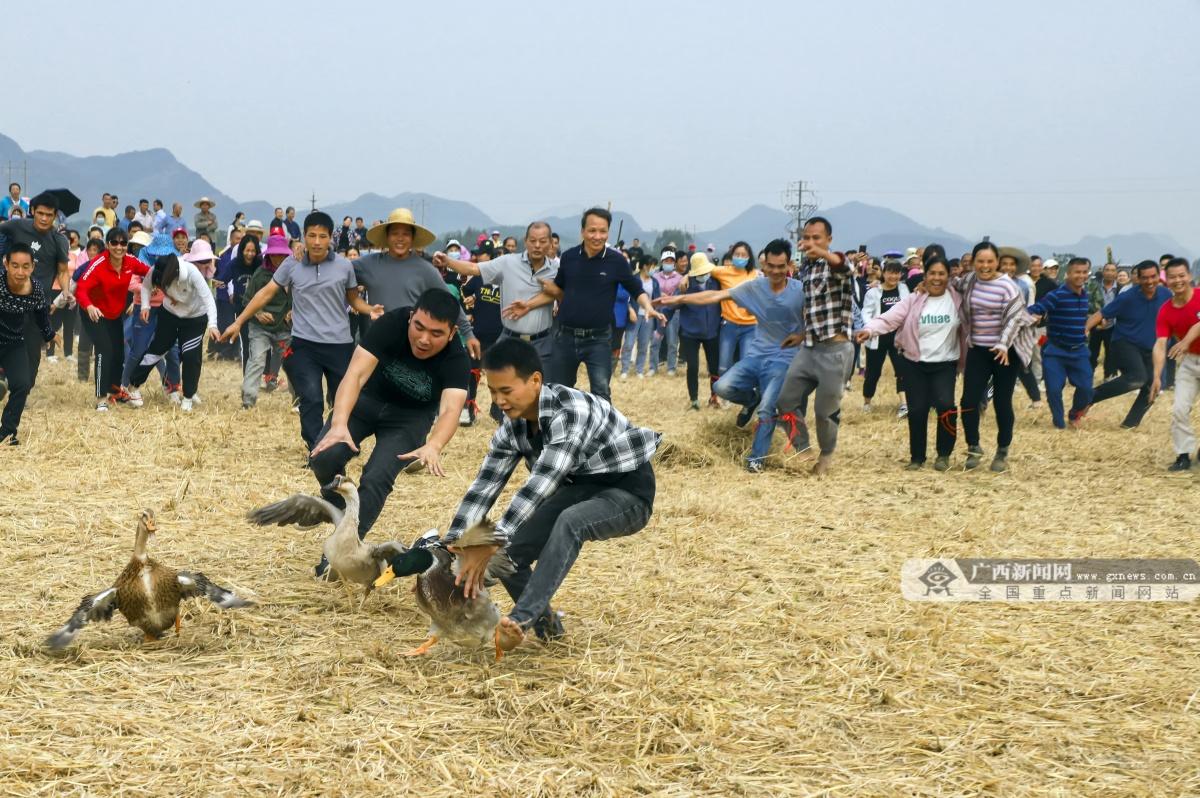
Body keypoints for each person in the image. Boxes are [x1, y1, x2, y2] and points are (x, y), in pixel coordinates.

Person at [439, 337, 658, 652]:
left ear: (535, 381)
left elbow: (542, 483)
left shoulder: (570, 413)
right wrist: (456, 542)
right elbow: (484, 486)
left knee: (570, 521)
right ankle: (550, 631)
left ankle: (521, 619)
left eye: (507, 391)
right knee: (506, 555)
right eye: (492, 391)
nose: (499, 401)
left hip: (627, 490)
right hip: (578, 487)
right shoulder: (511, 429)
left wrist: (487, 541)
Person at [309, 290, 470, 570]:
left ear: (452, 332)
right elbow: (355, 375)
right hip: (366, 401)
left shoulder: (457, 358)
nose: (423, 339)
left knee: (377, 477)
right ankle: (345, 510)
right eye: (418, 327)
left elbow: (450, 411)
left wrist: (434, 445)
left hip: (409, 418)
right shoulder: (390, 324)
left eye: (436, 333)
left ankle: (339, 555)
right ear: (411, 317)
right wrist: (338, 424)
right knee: (324, 456)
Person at [221, 211, 383, 450]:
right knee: (311, 399)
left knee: (344, 400)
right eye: (312, 236)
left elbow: (353, 300)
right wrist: (239, 322)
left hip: (339, 345)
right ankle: (316, 448)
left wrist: (370, 309)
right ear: (304, 237)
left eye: (323, 236)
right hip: (305, 344)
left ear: (331, 239)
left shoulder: (344, 266)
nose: (317, 242)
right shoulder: (292, 263)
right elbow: (266, 293)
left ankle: (339, 444)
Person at [660, 239, 805, 471]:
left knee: (768, 407)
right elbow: (714, 297)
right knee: (722, 387)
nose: (776, 271)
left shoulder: (799, 289)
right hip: (756, 355)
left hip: (783, 359)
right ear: (764, 265)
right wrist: (680, 298)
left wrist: (803, 335)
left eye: (782, 266)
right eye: (772, 266)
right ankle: (750, 400)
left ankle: (756, 459)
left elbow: (817, 316)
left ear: (789, 265)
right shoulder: (754, 287)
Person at [505, 208, 663, 402]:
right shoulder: (570, 257)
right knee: (559, 391)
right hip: (565, 337)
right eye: (592, 230)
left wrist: (647, 306)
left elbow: (636, 289)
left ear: (608, 232)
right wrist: (529, 304)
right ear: (582, 231)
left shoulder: (616, 261)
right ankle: (562, 429)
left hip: (598, 340)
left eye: (603, 231)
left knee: (601, 393)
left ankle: (600, 431)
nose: (597, 236)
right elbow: (558, 290)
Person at [856, 255, 966, 470]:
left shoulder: (957, 300)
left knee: (946, 406)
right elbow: (890, 318)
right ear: (925, 275)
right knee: (917, 410)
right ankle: (917, 458)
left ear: (948, 276)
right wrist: (869, 330)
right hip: (915, 362)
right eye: (932, 273)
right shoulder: (913, 299)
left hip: (945, 364)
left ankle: (943, 455)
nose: (936, 278)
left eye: (941, 274)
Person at [774, 218, 855, 476]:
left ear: (829, 240)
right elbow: (815, 309)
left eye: (817, 238)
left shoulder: (834, 265)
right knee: (785, 401)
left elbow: (846, 267)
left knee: (824, 411)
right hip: (809, 348)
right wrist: (801, 335)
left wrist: (824, 254)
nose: (810, 243)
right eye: (806, 238)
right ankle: (802, 448)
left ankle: (826, 455)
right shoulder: (806, 268)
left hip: (836, 351)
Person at [955, 242, 1036, 471]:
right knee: (968, 400)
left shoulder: (1008, 287)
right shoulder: (970, 280)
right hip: (978, 349)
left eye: (990, 261)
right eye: (980, 261)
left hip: (1005, 352)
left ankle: (1002, 450)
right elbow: (954, 285)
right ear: (973, 262)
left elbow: (1015, 319)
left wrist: (1002, 344)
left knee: (1002, 401)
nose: (985, 266)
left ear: (997, 262)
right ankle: (973, 447)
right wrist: (924, 285)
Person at [355, 208, 478, 355]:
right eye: (395, 233)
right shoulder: (367, 265)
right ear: (387, 237)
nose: (400, 238)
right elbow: (339, 273)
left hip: (412, 346)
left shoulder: (426, 270)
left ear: (412, 238)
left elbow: (449, 301)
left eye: (406, 234)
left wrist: (468, 334)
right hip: (377, 344)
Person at [436, 221, 557, 363]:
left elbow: (561, 292)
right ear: (525, 241)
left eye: (542, 241)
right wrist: (448, 261)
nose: (537, 245)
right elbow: (473, 269)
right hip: (510, 339)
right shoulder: (508, 263)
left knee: (540, 383)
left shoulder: (556, 270)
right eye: (533, 240)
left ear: (550, 243)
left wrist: (530, 304)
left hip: (542, 343)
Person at [1084, 260, 1171, 429]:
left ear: (1158, 277)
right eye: (1145, 278)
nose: (1150, 281)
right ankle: (1090, 397)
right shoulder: (1127, 297)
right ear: (1137, 279)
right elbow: (1101, 313)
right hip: (1125, 343)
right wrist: (1085, 329)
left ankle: (1129, 424)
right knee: (1137, 378)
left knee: (1153, 386)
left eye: (1153, 277)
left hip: (1152, 348)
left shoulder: (1165, 295)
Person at [128, 253, 219, 412]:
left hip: (194, 318)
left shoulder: (191, 273)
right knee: (156, 351)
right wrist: (145, 307)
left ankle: (188, 397)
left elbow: (208, 299)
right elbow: (146, 287)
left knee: (190, 355)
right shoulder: (156, 269)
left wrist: (213, 325)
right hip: (169, 315)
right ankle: (133, 386)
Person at [0, 192, 71, 386]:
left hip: (38, 303)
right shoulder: (16, 226)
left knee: (32, 351)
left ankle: (23, 388)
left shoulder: (59, 241)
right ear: (32, 211)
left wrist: (65, 290)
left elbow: (63, 271)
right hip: (9, 298)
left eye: (49, 215)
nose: (44, 218)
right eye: (40, 213)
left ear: (55, 215)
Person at [75, 228, 150, 410]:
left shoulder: (131, 262)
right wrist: (90, 306)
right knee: (104, 351)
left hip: (115, 313)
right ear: (108, 245)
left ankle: (115, 391)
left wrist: (152, 286)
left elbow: (149, 272)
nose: (119, 247)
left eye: (123, 243)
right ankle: (101, 399)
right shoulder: (98, 264)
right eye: (114, 243)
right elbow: (81, 289)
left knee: (118, 353)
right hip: (94, 312)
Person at [1027, 257, 1094, 430]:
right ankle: (1059, 424)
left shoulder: (1085, 295)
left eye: (1084, 272)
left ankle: (1074, 414)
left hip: (1079, 350)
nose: (1081, 276)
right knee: (1054, 390)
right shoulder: (1056, 295)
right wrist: (1032, 317)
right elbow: (1034, 309)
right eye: (1077, 272)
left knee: (1087, 389)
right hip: (1056, 351)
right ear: (1068, 274)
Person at [0, 243, 58, 443]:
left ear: (33, 267)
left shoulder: (35, 289)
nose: (20, 271)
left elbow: (41, 316)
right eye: (14, 265)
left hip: (13, 342)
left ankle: (7, 432)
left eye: (25, 266)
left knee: (22, 384)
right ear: (5, 264)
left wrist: (50, 335)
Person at [119, 233, 183, 406]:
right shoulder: (140, 262)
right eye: (157, 253)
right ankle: (123, 387)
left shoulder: (176, 263)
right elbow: (131, 283)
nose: (160, 257)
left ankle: (173, 388)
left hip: (167, 309)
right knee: (138, 350)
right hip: (144, 308)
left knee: (171, 350)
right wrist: (144, 289)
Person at [1150, 259, 1200, 470]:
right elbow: (1160, 344)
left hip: (1188, 350)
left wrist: (1185, 341)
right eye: (1172, 277)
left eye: (1181, 275)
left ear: (1189, 276)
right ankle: (1183, 455)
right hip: (1189, 363)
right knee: (1179, 409)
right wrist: (1157, 376)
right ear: (1166, 280)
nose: (1178, 280)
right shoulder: (1165, 311)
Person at [241, 235, 293, 409]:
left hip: (284, 327)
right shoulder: (261, 274)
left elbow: (303, 297)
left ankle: (299, 400)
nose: (277, 258)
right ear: (267, 255)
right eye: (274, 255)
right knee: (256, 359)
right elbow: (247, 300)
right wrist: (258, 312)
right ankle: (248, 401)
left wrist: (293, 310)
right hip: (260, 327)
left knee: (293, 362)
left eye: (281, 255)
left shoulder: (294, 273)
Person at [860, 261, 910, 416]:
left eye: (897, 273)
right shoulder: (874, 292)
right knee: (873, 373)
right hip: (877, 339)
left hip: (898, 338)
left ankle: (904, 404)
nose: (893, 276)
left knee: (902, 370)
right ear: (883, 273)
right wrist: (871, 328)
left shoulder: (903, 289)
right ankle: (867, 402)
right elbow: (866, 313)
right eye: (890, 272)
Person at [675, 252, 722, 410]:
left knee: (714, 367)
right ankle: (694, 400)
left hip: (712, 332)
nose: (703, 275)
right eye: (700, 273)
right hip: (690, 333)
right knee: (693, 366)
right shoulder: (686, 285)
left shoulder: (716, 282)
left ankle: (714, 397)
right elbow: (675, 304)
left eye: (705, 272)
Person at [709, 242, 758, 375]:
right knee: (723, 367)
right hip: (729, 325)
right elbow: (703, 268)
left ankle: (744, 395)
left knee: (746, 365)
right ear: (732, 255)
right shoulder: (723, 272)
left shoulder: (755, 275)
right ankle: (724, 393)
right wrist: (685, 276)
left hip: (750, 326)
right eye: (737, 254)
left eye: (744, 255)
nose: (740, 257)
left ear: (749, 258)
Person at [619, 257, 660, 379]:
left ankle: (639, 369)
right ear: (644, 266)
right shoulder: (633, 279)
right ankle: (624, 369)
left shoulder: (654, 282)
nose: (653, 269)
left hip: (648, 317)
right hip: (635, 315)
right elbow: (626, 297)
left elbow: (656, 299)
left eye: (654, 266)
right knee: (629, 343)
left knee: (643, 344)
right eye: (651, 266)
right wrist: (630, 309)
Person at [652, 249, 684, 375]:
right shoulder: (655, 277)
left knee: (672, 341)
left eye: (671, 261)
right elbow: (653, 292)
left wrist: (668, 298)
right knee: (655, 340)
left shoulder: (680, 278)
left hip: (674, 312)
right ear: (662, 262)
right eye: (666, 261)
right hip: (658, 311)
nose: (669, 263)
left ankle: (671, 368)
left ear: (674, 263)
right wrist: (661, 295)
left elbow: (680, 294)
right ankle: (652, 367)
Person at [1087, 261, 1120, 378]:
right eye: (1107, 270)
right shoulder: (1093, 287)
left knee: (1111, 353)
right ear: (1103, 271)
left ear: (1116, 273)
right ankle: (1087, 376)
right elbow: (1089, 304)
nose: (1110, 273)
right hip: (1096, 325)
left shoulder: (1120, 289)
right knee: (1092, 352)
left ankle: (1109, 376)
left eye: (1113, 270)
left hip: (1113, 326)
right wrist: (1098, 320)